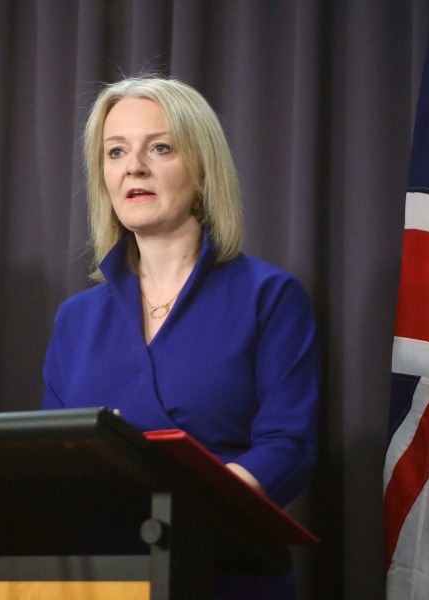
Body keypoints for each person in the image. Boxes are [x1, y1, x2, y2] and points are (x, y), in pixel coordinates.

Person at [42, 76, 319, 599]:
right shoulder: (75, 319)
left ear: (204, 171)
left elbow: (288, 445)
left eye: (160, 148)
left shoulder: (270, 296)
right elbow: (58, 457)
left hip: (222, 568)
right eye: (116, 151)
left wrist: (198, 509)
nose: (134, 167)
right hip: (101, 579)